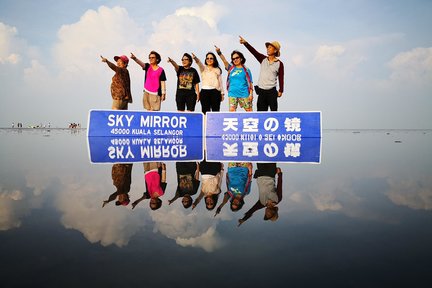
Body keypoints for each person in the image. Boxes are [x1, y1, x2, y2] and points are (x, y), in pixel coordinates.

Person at [239, 36, 284, 111]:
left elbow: (281, 77)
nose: (268, 49)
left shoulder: (279, 64)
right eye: (267, 47)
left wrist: (281, 90)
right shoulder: (263, 59)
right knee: (260, 113)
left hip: (272, 92)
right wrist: (245, 43)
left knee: (274, 112)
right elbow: (254, 52)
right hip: (262, 91)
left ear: (275, 50)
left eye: (270, 47)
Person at [215, 46, 253, 112]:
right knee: (232, 111)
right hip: (232, 93)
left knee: (249, 111)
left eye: (237, 58)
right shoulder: (231, 68)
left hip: (244, 94)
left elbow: (250, 82)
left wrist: (251, 94)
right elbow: (224, 61)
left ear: (241, 58)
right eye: (233, 59)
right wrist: (219, 52)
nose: (235, 59)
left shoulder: (246, 70)